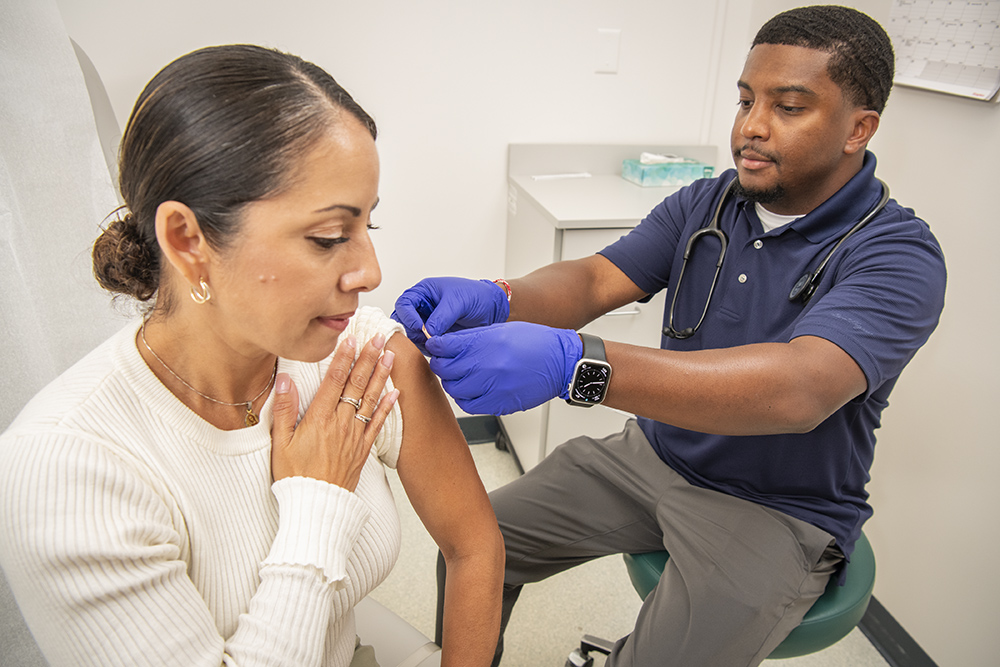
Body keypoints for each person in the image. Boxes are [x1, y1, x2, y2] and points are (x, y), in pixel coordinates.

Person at [393, 6, 946, 666]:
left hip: (775, 506)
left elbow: (801, 388)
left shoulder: (898, 254)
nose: (752, 126)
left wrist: (578, 365)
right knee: (474, 544)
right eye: (745, 100)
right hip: (653, 454)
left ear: (860, 127)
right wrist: (501, 297)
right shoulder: (707, 203)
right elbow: (597, 279)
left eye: (788, 106)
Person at [0, 45, 503, 667]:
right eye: (328, 238)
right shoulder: (67, 470)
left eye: (367, 226)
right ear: (188, 240)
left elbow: (475, 546)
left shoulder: (361, 357)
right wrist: (316, 500)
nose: (370, 272)